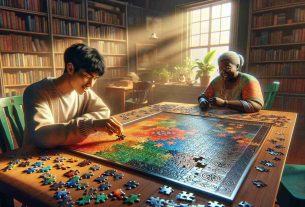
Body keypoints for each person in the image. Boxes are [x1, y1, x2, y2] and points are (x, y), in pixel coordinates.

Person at [23, 43, 123, 148]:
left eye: (95, 78)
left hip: (67, 151)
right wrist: (90, 125)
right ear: (70, 68)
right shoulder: (36, 91)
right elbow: (42, 136)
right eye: (87, 76)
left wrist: (86, 124)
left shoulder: (83, 91)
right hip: (36, 156)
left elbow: (104, 111)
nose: (91, 84)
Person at [198, 51, 264, 113]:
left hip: (242, 121)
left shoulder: (248, 80)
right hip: (219, 119)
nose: (223, 72)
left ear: (237, 66)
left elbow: (256, 105)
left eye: (227, 67)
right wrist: (203, 101)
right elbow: (204, 96)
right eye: (220, 68)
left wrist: (225, 103)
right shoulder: (217, 81)